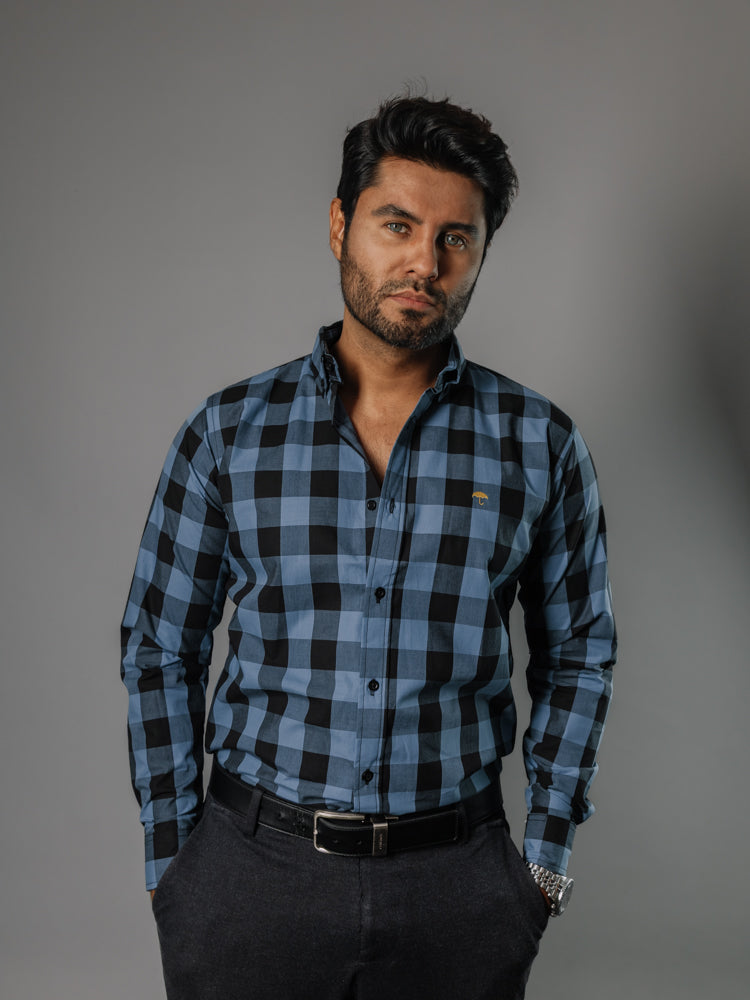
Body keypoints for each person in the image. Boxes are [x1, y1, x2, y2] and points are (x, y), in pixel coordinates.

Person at [121, 95, 616, 1000]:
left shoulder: (539, 444)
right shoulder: (228, 434)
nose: (424, 262)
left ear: (480, 254)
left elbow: (579, 652)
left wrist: (542, 859)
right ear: (341, 225)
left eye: (456, 238)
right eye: (398, 225)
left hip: (458, 887)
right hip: (249, 882)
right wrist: (174, 864)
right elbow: (158, 645)